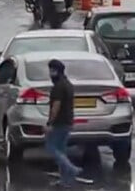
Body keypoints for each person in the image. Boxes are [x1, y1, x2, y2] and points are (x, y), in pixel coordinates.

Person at [45, 59, 85, 187]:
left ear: (56, 71)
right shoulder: (68, 84)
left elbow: (56, 106)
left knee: (51, 147)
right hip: (68, 121)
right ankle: (65, 181)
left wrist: (50, 123)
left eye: (51, 70)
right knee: (61, 151)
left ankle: (72, 169)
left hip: (59, 123)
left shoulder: (58, 87)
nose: (50, 73)